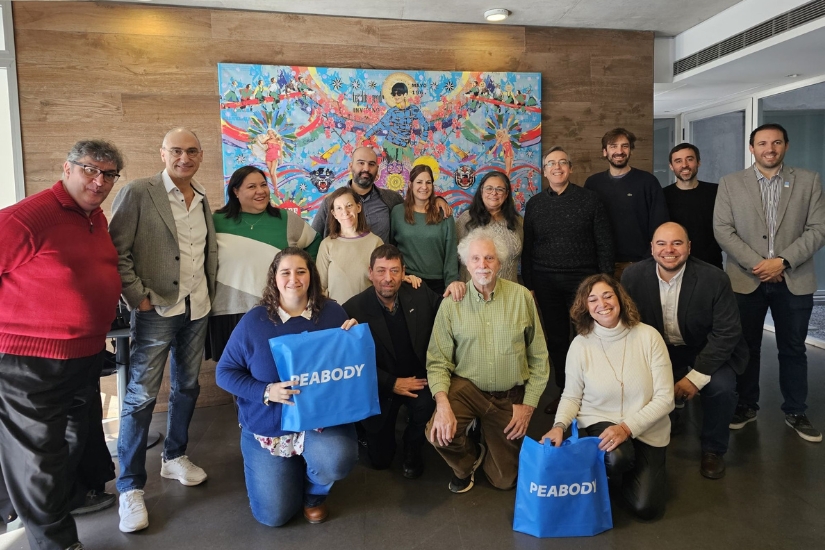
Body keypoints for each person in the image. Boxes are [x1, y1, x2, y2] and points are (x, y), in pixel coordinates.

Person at [0, 139, 123, 550]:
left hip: (83, 356)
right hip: (31, 361)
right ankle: (56, 544)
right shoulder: (26, 218)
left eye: (108, 174)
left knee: (72, 444)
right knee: (38, 460)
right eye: (90, 169)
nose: (98, 180)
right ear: (66, 168)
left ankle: (67, 506)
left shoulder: (95, 218)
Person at [109, 127, 217, 533]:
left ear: (200, 155)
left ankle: (174, 458)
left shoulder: (202, 197)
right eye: (176, 151)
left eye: (191, 151)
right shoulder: (140, 192)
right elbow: (115, 250)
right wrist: (137, 298)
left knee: (188, 387)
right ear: (162, 153)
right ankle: (131, 487)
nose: (184, 158)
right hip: (156, 310)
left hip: (197, 308)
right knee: (140, 397)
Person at [216, 248, 359, 526]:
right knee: (274, 516)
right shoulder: (254, 321)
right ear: (274, 278)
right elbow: (224, 372)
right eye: (286, 272)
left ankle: (314, 493)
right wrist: (266, 391)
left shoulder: (332, 313)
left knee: (337, 459)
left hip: (319, 421)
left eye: (301, 271)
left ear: (311, 276)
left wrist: (353, 339)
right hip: (271, 425)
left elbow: (347, 366)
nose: (293, 278)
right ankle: (289, 468)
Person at [714, 123, 825, 442]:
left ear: (786, 146)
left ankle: (795, 410)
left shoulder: (808, 181)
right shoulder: (731, 183)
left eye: (776, 142)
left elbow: (818, 228)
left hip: (795, 278)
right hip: (746, 279)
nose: (769, 148)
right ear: (752, 148)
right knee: (746, 347)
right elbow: (723, 230)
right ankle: (746, 406)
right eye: (762, 143)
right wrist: (759, 265)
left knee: (793, 348)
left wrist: (784, 261)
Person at [427, 228, 549, 493]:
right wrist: (443, 404)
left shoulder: (522, 297)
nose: (482, 265)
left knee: (504, 480)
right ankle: (467, 461)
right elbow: (437, 361)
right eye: (476, 259)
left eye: (489, 259)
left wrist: (527, 406)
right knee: (438, 433)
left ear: (500, 262)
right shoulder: (451, 303)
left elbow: (539, 358)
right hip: (467, 389)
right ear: (466, 264)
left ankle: (485, 434)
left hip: (508, 396)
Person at [542, 274, 674, 520]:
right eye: (592, 300)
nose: (601, 304)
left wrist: (626, 428)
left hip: (647, 425)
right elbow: (571, 396)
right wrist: (559, 425)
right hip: (600, 418)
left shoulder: (649, 336)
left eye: (607, 295)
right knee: (617, 457)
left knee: (647, 508)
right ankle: (612, 472)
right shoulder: (580, 345)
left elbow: (666, 398)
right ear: (586, 308)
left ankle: (626, 470)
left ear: (620, 299)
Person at [622, 222, 748, 479]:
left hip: (707, 346)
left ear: (689, 247)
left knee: (721, 387)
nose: (669, 250)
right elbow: (629, 325)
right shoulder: (633, 276)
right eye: (661, 243)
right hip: (659, 348)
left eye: (677, 243)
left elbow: (727, 333)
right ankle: (665, 419)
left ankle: (713, 449)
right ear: (652, 248)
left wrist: (696, 377)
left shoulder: (715, 279)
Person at [522, 146, 614, 414]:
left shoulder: (590, 200)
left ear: (571, 169)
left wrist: (604, 282)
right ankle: (565, 394)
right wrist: (530, 283)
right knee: (558, 341)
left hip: (583, 281)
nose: (557, 167)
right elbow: (528, 248)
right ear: (544, 171)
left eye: (563, 162)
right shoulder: (535, 204)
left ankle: (595, 394)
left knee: (590, 336)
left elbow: (604, 243)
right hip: (545, 281)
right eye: (551, 163)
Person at [343, 245, 442, 479]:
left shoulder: (419, 292)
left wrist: (457, 288)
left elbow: (447, 310)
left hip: (417, 378)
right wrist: (391, 383)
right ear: (370, 272)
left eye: (395, 271)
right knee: (380, 461)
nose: (388, 278)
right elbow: (352, 364)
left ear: (404, 271)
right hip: (379, 385)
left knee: (426, 404)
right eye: (381, 271)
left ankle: (412, 445)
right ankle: (364, 432)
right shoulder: (352, 309)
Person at [207, 165, 320, 361]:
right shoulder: (215, 221)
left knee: (274, 367)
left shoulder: (286, 219)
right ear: (235, 191)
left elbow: (314, 242)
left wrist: (303, 276)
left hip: (275, 309)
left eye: (263, 185)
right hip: (229, 309)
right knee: (234, 369)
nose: (260, 191)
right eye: (251, 186)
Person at [311, 146, 451, 243]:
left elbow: (415, 207)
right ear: (350, 166)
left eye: (371, 164)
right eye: (361, 163)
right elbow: (314, 240)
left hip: (383, 278)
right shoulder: (331, 202)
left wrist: (437, 199)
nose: (366, 168)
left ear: (377, 170)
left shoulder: (391, 199)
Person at [584, 128, 669, 279]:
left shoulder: (648, 182)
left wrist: (649, 258)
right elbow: (586, 225)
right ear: (605, 152)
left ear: (631, 151)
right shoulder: (593, 184)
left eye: (625, 146)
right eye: (613, 146)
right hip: (602, 266)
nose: (619, 151)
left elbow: (659, 224)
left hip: (639, 264)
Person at [390, 164, 460, 296]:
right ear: (410, 185)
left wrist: (451, 284)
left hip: (437, 283)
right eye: (419, 182)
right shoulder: (397, 212)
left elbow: (451, 254)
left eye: (428, 182)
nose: (424, 187)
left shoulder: (444, 214)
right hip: (408, 280)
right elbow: (392, 247)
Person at [317, 186, 384, 304]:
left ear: (358, 207)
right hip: (338, 315)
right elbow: (320, 288)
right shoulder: (327, 245)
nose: (345, 212)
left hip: (368, 313)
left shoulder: (376, 243)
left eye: (349, 206)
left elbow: (383, 283)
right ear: (334, 214)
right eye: (339, 208)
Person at [455, 171, 524, 283]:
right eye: (489, 188)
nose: (494, 193)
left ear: (506, 194)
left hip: (509, 294)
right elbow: (452, 257)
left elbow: (527, 257)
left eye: (499, 189)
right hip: (473, 293)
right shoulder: (466, 219)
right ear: (481, 191)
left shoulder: (517, 222)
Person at [662, 143, 723, 268]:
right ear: (671, 166)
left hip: (711, 264)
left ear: (698, 162)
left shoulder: (717, 192)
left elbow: (726, 228)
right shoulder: (662, 196)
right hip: (674, 264)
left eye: (689, 159)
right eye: (678, 161)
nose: (684, 165)